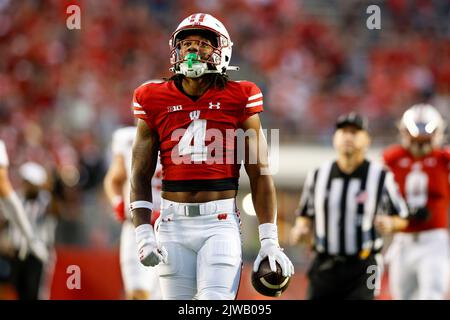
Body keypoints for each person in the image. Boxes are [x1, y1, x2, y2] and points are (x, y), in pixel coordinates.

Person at [129, 13, 294, 300]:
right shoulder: (152, 97)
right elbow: (139, 174)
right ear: (175, 51)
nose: (193, 50)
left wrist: (269, 240)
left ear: (222, 51)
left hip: (218, 223)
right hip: (171, 224)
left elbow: (260, 173)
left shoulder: (240, 96)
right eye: (187, 44)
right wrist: (143, 233)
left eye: (203, 44)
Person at [290, 113, 409, 300]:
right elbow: (305, 213)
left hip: (365, 265)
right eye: (343, 132)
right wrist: (301, 228)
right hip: (324, 263)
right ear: (334, 138)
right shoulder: (318, 175)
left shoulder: (380, 177)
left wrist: (390, 223)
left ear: (366, 140)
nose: (348, 137)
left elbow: (402, 217)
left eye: (354, 132)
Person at [383, 104, 450, 300]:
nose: (419, 147)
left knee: (431, 294)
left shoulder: (444, 160)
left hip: (433, 240)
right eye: (415, 140)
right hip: (403, 241)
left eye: (424, 141)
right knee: (402, 296)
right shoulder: (392, 159)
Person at [104, 125, 162, 300]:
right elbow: (114, 179)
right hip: (137, 226)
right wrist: (117, 203)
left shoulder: (178, 132)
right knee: (138, 294)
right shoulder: (126, 137)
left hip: (171, 226)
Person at [1, 162, 57, 300]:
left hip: (37, 255)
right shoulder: (17, 198)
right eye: (25, 181)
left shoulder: (46, 200)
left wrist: (49, 189)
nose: (26, 185)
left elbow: (56, 211)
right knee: (16, 291)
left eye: (29, 182)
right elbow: (6, 220)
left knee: (34, 291)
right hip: (17, 253)